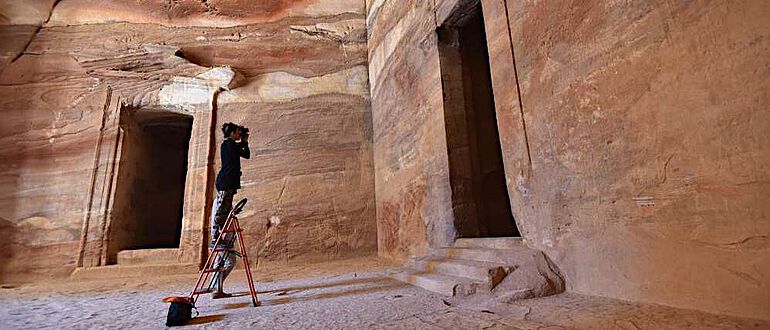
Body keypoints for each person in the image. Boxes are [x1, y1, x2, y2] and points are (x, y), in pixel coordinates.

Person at [209, 122, 250, 299]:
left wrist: (244, 141)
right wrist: (243, 140)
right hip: (225, 183)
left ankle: (215, 287)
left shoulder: (232, 146)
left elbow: (245, 154)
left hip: (228, 184)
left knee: (225, 209)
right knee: (222, 208)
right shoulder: (227, 145)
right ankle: (217, 233)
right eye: (237, 132)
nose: (239, 134)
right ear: (232, 133)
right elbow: (240, 151)